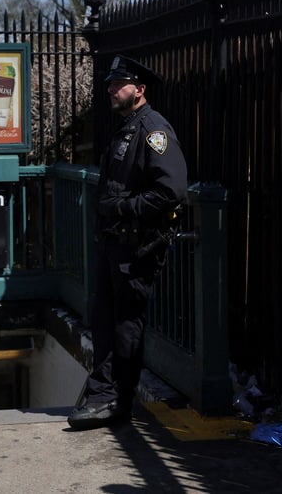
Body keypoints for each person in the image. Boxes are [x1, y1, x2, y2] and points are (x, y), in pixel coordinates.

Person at [68, 54, 188, 430]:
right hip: (114, 245)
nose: (111, 90)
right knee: (105, 322)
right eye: (109, 84)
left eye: (119, 84)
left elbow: (171, 190)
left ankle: (116, 399)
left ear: (139, 89)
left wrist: (122, 208)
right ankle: (103, 395)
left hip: (135, 249)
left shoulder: (153, 129)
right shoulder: (127, 128)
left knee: (124, 326)